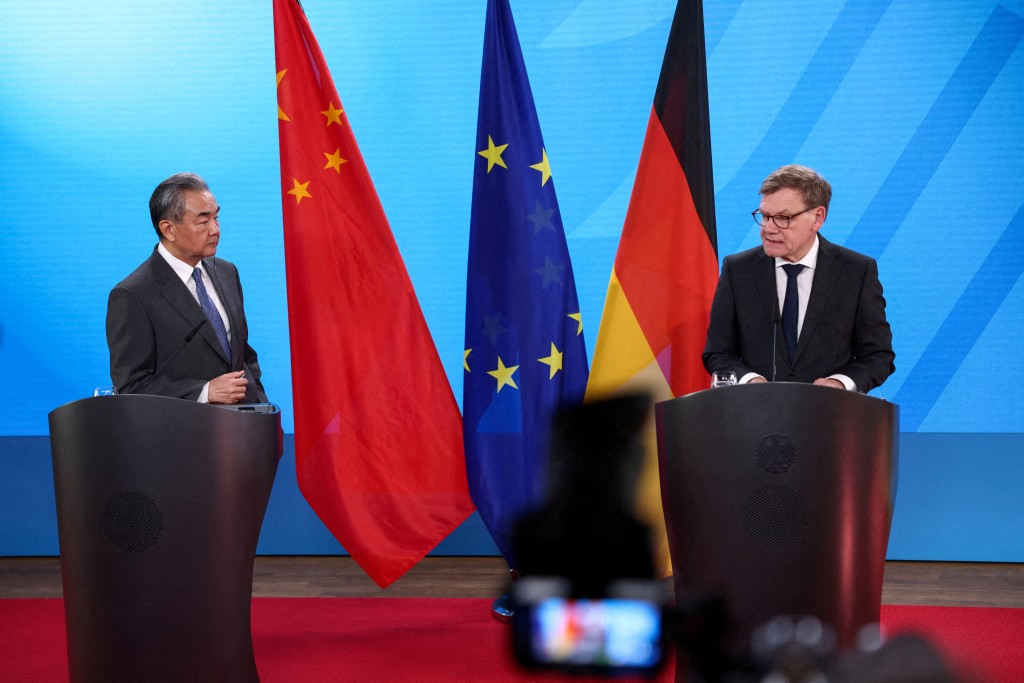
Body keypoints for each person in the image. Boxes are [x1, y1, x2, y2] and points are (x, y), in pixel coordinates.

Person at [703, 164, 894, 393]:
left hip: (829, 418)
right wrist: (751, 381)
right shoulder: (738, 270)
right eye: (764, 216)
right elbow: (718, 353)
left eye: (783, 218)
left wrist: (838, 383)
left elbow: (878, 356)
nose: (768, 228)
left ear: (817, 217)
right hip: (756, 418)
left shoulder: (856, 271)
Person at [106, 172, 267, 404]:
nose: (215, 230)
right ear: (168, 229)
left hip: (245, 426)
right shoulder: (133, 295)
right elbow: (131, 386)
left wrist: (260, 401)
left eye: (216, 218)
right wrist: (204, 392)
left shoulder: (227, 272)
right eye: (203, 221)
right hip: (184, 432)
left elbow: (243, 354)